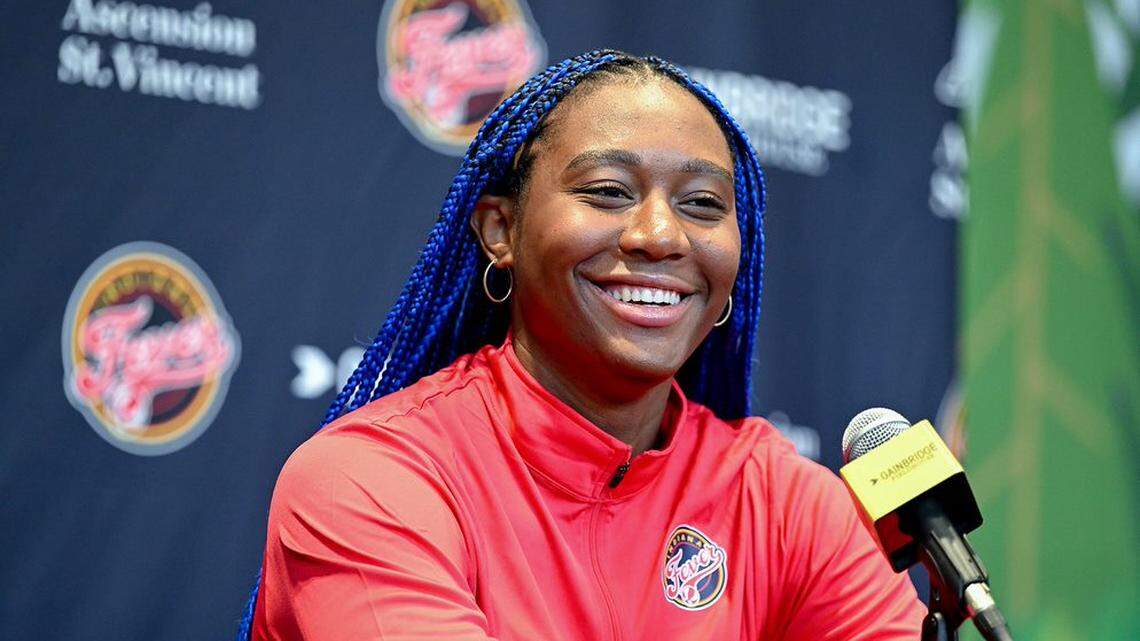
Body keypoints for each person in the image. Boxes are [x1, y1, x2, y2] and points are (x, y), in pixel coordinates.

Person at [239, 50, 924, 640]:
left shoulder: (780, 497)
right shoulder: (369, 479)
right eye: (607, 191)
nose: (661, 235)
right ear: (501, 230)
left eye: (703, 204)